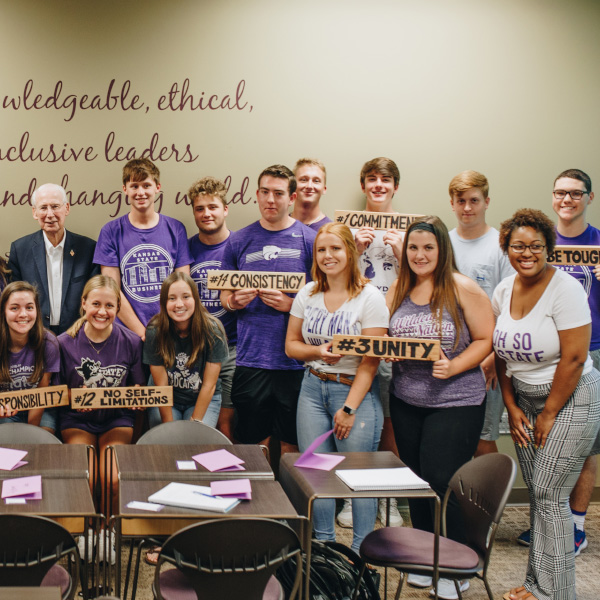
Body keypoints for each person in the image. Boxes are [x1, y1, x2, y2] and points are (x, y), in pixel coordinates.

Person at [494, 209, 600, 600]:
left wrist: (550, 412)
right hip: (524, 400)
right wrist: (511, 405)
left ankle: (560, 593)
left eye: (536, 246)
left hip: (571, 397)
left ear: (547, 249)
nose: (527, 253)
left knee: (550, 495)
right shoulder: (504, 290)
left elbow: (573, 358)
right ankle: (538, 585)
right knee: (540, 496)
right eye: (519, 245)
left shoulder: (566, 289)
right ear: (507, 248)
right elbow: (501, 354)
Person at [387, 216, 494, 600]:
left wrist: (455, 365)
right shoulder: (399, 288)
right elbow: (385, 335)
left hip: (456, 401)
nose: (419, 255)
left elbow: (485, 338)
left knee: (442, 479)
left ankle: (455, 565)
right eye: (413, 248)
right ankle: (423, 558)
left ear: (441, 250)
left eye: (428, 247)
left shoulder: (462, 287)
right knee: (418, 482)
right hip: (406, 399)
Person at [285, 222, 388, 552]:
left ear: (350, 251)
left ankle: (362, 554)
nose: (328, 256)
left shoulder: (370, 298)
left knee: (360, 478)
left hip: (353, 393)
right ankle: (325, 549)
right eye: (321, 250)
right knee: (317, 474)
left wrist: (348, 409)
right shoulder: (309, 293)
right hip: (312, 389)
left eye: (335, 249)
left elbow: (371, 361)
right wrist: (318, 351)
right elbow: (291, 345)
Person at [220, 165, 316, 456]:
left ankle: (291, 499)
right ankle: (257, 499)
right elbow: (224, 293)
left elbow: (324, 300)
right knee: (252, 443)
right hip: (251, 359)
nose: (270, 200)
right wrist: (233, 302)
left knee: (292, 444)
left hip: (295, 362)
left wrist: (291, 306)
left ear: (292, 197)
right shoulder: (238, 240)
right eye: (264, 192)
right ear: (257, 195)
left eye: (278, 193)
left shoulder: (309, 240)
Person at [58, 275, 145, 563]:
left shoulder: (131, 341)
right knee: (87, 475)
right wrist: (73, 397)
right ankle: (86, 531)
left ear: (118, 308)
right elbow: (54, 395)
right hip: (77, 421)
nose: (102, 311)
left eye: (110, 305)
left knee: (109, 476)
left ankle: (107, 531)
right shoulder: (63, 343)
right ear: (84, 304)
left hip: (115, 420)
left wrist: (136, 394)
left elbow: (139, 391)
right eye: (96, 303)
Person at [340, 157, 404, 529]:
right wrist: (356, 250)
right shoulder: (347, 228)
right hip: (356, 331)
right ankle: (354, 495)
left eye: (386, 180)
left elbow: (425, 272)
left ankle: (389, 498)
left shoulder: (409, 229)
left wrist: (401, 253)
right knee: (360, 414)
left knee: (393, 419)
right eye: (372, 179)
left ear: (395, 186)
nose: (378, 185)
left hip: (397, 332)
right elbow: (332, 275)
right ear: (363, 185)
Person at [8, 182, 98, 432]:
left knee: (71, 414)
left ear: (67, 208)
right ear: (34, 212)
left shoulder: (88, 248)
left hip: (76, 341)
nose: (50, 214)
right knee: (43, 412)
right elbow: (16, 306)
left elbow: (94, 300)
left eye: (55, 207)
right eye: (43, 207)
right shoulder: (20, 248)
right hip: (35, 346)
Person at [448, 171, 514, 456]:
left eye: (474, 200)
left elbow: (511, 305)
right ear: (451, 203)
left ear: (487, 202)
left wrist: (492, 354)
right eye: (460, 200)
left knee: (482, 438)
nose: (467, 208)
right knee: (452, 438)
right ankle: (457, 502)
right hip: (448, 356)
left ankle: (488, 501)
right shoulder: (442, 243)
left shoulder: (502, 247)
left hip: (487, 356)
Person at [93, 158, 192, 340]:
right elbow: (111, 291)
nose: (140, 192)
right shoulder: (110, 231)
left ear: (157, 187)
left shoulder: (176, 229)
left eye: (146, 185)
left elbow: (183, 287)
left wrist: (166, 329)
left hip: (170, 332)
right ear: (125, 189)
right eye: (134, 186)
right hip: (126, 335)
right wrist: (143, 334)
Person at [144, 272, 228, 428]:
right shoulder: (154, 330)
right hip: (167, 397)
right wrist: (170, 430)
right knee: (167, 439)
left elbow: (209, 386)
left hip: (202, 396)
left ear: (195, 299)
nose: (179, 304)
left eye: (186, 297)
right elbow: (161, 386)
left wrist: (193, 427)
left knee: (196, 440)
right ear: (163, 303)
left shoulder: (214, 330)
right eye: (172, 298)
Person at [188, 176, 237, 441]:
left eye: (213, 207)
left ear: (225, 209)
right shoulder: (185, 248)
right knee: (198, 428)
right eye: (199, 208)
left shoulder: (240, 244)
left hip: (231, 348)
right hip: (195, 349)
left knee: (226, 426)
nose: (207, 214)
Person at [0, 282, 60, 427]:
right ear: (4, 311)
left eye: (29, 307)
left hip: (41, 409)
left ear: (37, 310)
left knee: (39, 444)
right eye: (14, 308)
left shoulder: (49, 343)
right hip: (8, 411)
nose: (23, 314)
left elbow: (41, 395)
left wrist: (31, 432)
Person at [291, 158, 332, 232]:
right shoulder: (279, 224)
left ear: (324, 189)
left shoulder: (332, 231)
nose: (309, 186)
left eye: (316, 181)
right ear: (293, 186)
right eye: (303, 180)